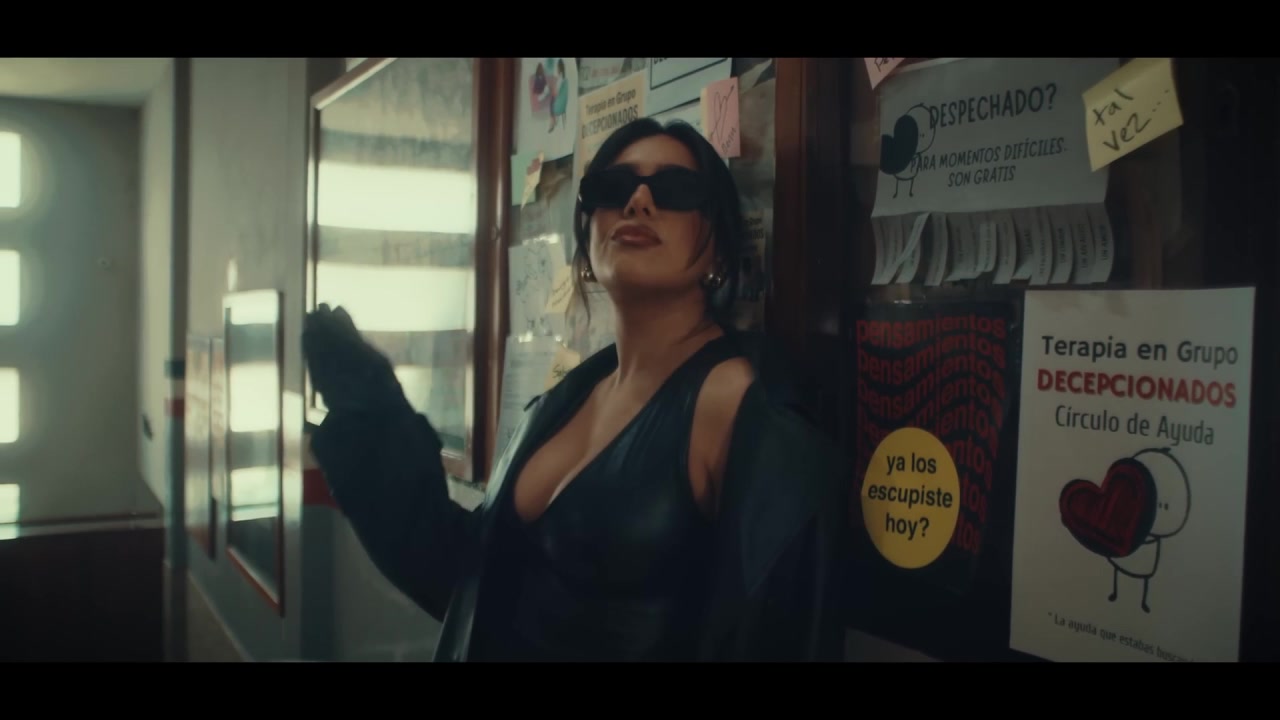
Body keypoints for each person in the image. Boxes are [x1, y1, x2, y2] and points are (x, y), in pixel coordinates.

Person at [304, 117, 848, 662]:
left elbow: (781, 635)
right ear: (586, 241)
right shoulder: (559, 404)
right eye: (612, 187)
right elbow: (465, 579)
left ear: (719, 253)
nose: (638, 201)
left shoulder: (743, 409)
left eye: (675, 189)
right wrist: (374, 412)